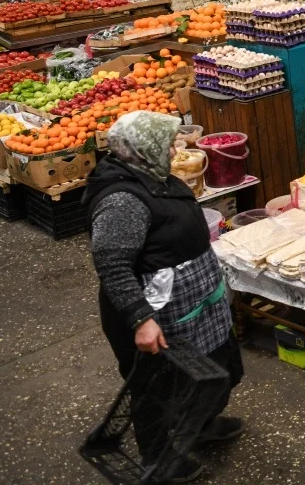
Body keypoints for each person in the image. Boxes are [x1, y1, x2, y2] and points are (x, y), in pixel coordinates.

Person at [87, 112, 244, 483]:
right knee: (159, 390)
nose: (176, 149)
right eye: (168, 143)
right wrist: (140, 319)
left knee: (220, 367)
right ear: (144, 149)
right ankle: (160, 459)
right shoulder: (122, 200)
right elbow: (112, 266)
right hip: (159, 313)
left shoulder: (152, 175)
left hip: (195, 306)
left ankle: (202, 424)